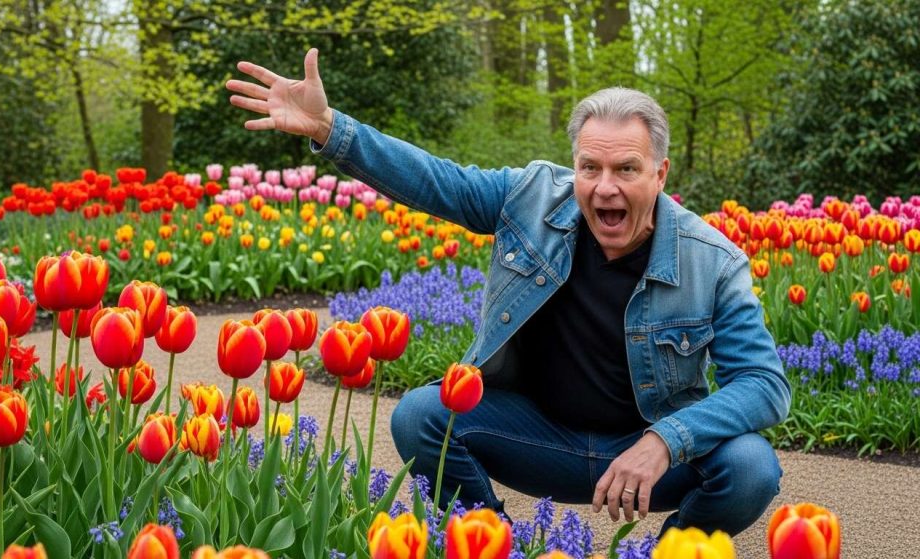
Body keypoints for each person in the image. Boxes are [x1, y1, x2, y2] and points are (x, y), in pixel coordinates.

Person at [226, 48, 791, 537]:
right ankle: (494, 541)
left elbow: (765, 384)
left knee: (750, 467)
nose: (605, 186)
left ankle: (671, 549)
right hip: (535, 436)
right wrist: (331, 129)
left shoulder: (711, 260)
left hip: (647, 454)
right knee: (423, 415)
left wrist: (668, 439)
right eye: (589, 167)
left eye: (626, 168)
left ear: (661, 174)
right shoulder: (530, 198)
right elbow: (434, 179)